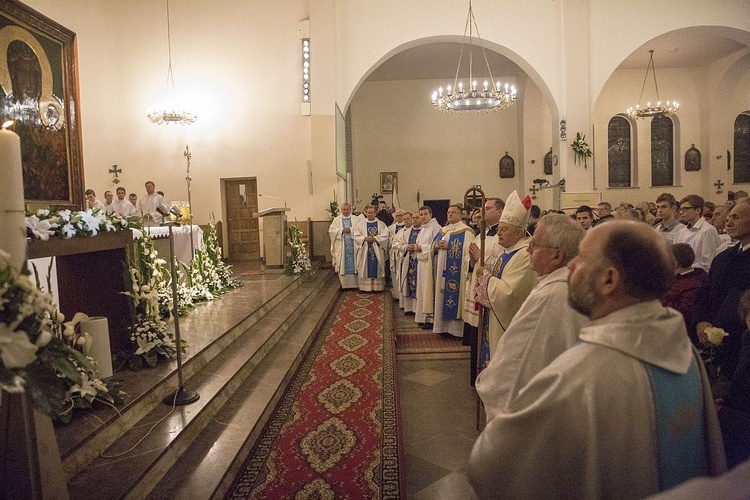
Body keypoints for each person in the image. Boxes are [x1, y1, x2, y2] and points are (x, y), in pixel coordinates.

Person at [469, 220, 727, 499]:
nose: (570, 265)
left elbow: (490, 467)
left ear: (609, 280)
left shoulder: (582, 376)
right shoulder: (685, 356)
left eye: (582, 258)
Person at [476, 214, 587, 420]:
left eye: (534, 245)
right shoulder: (570, 285)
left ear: (556, 256)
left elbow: (513, 368)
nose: (528, 249)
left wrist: (492, 374)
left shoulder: (549, 296)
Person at [474, 191, 537, 364]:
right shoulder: (507, 252)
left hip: (509, 323)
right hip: (495, 316)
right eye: (499, 229)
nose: (499, 234)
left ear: (518, 233)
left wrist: (485, 276)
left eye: (504, 229)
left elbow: (510, 293)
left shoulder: (524, 254)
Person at [693, 198, 750, 381]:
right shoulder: (724, 258)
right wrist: (702, 319)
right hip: (722, 347)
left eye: (736, 217)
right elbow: (706, 292)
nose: (728, 221)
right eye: (729, 217)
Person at [463, 197, 504, 385]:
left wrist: (480, 259)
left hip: (490, 290)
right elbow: (470, 262)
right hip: (476, 287)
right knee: (475, 334)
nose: (483, 212)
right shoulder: (482, 233)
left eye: (487, 208)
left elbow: (500, 265)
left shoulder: (502, 237)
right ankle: (475, 376)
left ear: (500, 212)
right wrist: (471, 261)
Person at [432, 205, 475, 337]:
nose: (450, 214)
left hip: (457, 274)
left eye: (453, 212)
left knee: (456, 297)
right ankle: (442, 327)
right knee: (441, 296)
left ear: (461, 215)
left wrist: (449, 246)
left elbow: (469, 253)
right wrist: (436, 246)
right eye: (448, 212)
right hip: (441, 272)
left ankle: (456, 330)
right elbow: (432, 248)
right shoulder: (443, 230)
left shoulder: (467, 232)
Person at [661, 243, 707, 336]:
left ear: (675, 263)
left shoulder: (693, 284)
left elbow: (684, 312)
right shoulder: (672, 278)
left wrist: (658, 303)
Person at [673, 194, 722, 272]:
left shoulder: (708, 230)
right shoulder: (681, 232)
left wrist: (687, 269)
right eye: (681, 209)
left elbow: (709, 261)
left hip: (699, 276)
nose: (681, 213)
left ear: (697, 210)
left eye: (685, 209)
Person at [414, 206, 442, 328]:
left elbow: (435, 245)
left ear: (431, 214)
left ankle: (430, 319)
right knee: (421, 291)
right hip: (421, 262)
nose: (423, 216)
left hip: (429, 264)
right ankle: (422, 316)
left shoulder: (436, 228)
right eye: (421, 214)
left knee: (428, 291)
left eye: (425, 214)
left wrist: (422, 248)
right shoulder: (423, 228)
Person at [353, 205, 389, 292]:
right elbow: (356, 235)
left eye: (372, 212)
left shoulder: (381, 224)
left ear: (375, 213)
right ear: (365, 213)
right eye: (368, 212)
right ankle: (365, 288)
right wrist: (364, 238)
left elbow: (386, 235)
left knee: (377, 267)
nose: (370, 214)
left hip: (377, 249)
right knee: (364, 266)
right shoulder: (361, 224)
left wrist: (376, 239)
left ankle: (377, 287)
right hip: (365, 249)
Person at [328, 202, 358, 289]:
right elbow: (331, 230)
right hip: (342, 245)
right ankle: (345, 285)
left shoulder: (356, 219)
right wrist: (341, 231)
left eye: (347, 209)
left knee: (355, 262)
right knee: (343, 263)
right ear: (341, 210)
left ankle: (356, 284)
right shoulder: (337, 219)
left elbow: (360, 229)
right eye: (344, 209)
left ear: (350, 210)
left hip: (354, 245)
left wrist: (351, 230)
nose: (345, 211)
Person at [400, 211, 422, 314]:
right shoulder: (407, 232)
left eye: (417, 217)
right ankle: (409, 308)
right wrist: (406, 247)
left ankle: (418, 310)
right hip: (409, 260)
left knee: (419, 286)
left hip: (420, 261)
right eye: (413, 218)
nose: (415, 220)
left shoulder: (424, 231)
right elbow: (399, 244)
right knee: (409, 285)